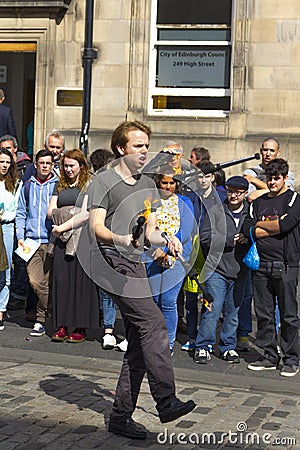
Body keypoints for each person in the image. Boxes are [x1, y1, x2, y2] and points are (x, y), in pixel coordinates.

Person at [88, 120, 195, 439]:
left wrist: (168, 239)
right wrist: (120, 239)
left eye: (146, 145)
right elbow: (96, 226)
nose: (144, 150)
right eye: (138, 145)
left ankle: (120, 416)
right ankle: (166, 400)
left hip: (135, 264)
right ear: (121, 148)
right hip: (113, 263)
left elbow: (148, 230)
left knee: (138, 342)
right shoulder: (104, 181)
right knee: (154, 325)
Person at [243, 158, 300, 377]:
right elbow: (249, 229)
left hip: (286, 264)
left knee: (288, 315)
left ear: (285, 178)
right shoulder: (258, 202)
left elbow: (286, 225)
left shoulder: (294, 199)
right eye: (270, 178)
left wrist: (262, 225)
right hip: (261, 264)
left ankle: (291, 358)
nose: (273, 182)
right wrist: (267, 226)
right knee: (264, 314)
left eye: (277, 178)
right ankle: (268, 355)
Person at [194, 176, 250, 364]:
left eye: (238, 192)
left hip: (241, 269)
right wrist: (229, 240)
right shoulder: (216, 210)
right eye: (230, 191)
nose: (233, 195)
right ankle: (203, 346)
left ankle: (228, 347)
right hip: (217, 269)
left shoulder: (251, 212)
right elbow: (205, 238)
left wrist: (247, 239)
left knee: (233, 312)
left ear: (245, 193)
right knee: (212, 309)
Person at [48, 149, 99, 343]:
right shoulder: (59, 185)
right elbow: (50, 210)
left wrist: (63, 220)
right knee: (62, 282)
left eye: (72, 166)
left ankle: (79, 326)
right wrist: (70, 213)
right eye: (65, 166)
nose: (68, 169)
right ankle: (61, 324)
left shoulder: (88, 184)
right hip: (61, 239)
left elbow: (85, 214)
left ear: (81, 166)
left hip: (81, 240)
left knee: (80, 283)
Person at [146, 165, 194, 354]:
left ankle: (169, 342)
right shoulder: (150, 202)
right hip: (152, 255)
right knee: (154, 301)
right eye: (164, 182)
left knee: (167, 300)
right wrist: (155, 251)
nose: (167, 186)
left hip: (177, 255)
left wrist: (167, 249)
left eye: (171, 183)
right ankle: (154, 338)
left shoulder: (184, 202)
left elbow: (186, 230)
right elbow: (146, 228)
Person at [15, 149, 58, 337]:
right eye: (42, 163)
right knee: (35, 281)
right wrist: (20, 236)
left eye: (48, 163)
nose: (45, 166)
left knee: (48, 281)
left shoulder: (57, 186)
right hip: (32, 242)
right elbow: (21, 213)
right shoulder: (27, 186)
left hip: (51, 240)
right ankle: (55, 309)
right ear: (35, 164)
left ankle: (41, 320)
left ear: (52, 165)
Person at [89, 148, 127, 351]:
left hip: (128, 247)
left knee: (126, 293)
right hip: (107, 244)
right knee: (107, 290)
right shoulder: (103, 187)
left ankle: (128, 334)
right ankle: (108, 331)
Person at [0, 148, 22, 329]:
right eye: (1, 161)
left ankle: (0, 309)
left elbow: (17, 210)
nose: (4, 165)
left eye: (7, 162)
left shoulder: (15, 183)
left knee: (5, 270)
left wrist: (4, 215)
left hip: (6, 228)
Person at [243, 137, 294, 202]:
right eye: (265, 150)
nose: (268, 154)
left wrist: (254, 180)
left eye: (272, 150)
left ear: (278, 153)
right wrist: (278, 189)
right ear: (261, 151)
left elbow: (287, 195)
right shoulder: (250, 173)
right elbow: (251, 197)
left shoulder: (287, 173)